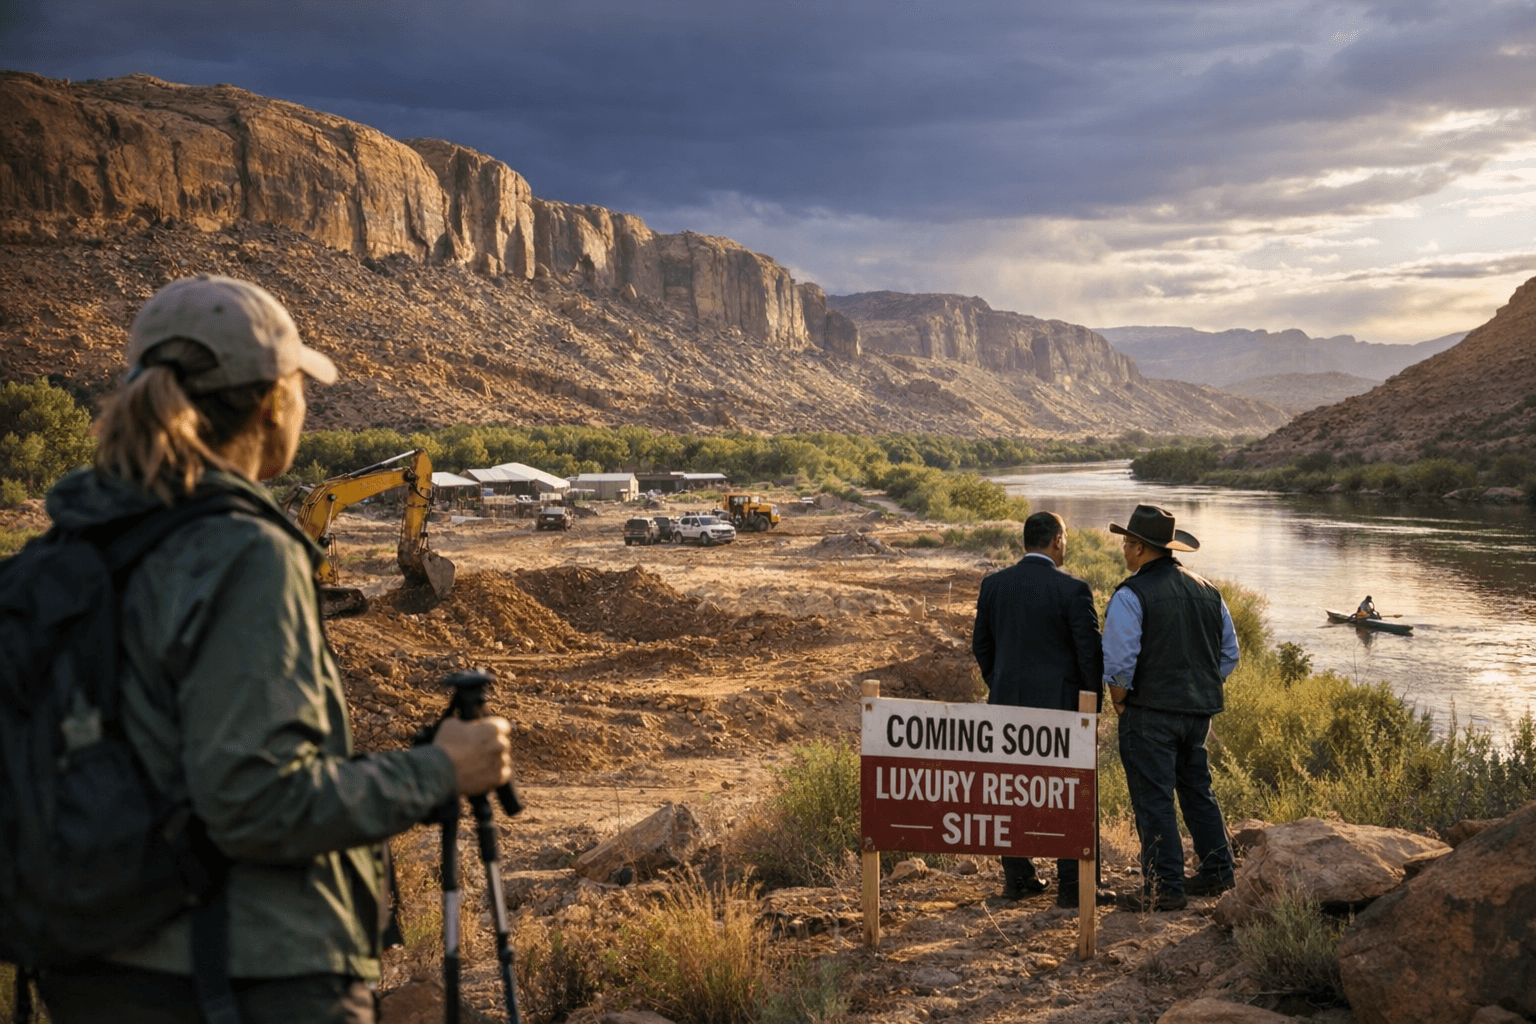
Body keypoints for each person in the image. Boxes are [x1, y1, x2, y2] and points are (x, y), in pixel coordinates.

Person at [37, 275, 514, 1023]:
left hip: (90, 969)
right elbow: (258, 804)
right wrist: (439, 770)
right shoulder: (242, 553)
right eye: (301, 385)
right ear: (271, 404)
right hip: (245, 978)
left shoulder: (68, 550)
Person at [1103, 504, 1239, 912]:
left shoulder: (1131, 594)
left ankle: (1165, 887)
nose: (1124, 550)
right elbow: (1228, 656)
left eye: (1128, 543)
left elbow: (1119, 664)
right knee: (1198, 791)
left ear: (1142, 549)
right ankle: (1218, 873)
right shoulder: (1208, 590)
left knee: (1154, 797)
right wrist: (1196, 687)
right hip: (1196, 714)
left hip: (1148, 713)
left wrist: (1120, 703)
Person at [972, 511, 1108, 906]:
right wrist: (1090, 708)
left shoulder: (994, 585)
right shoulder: (1073, 590)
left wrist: (1000, 684)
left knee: (1009, 791)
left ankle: (1019, 879)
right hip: (1061, 711)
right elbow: (1089, 657)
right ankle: (1074, 886)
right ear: (1057, 541)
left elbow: (982, 645)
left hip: (1005, 709)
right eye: (1065, 537)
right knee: (1070, 792)